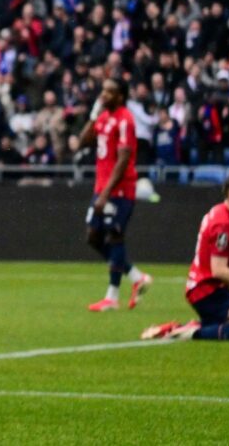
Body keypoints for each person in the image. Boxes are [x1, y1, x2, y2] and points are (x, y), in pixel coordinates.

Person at [141, 173, 229, 341]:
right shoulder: (223, 224)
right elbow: (219, 270)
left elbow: (225, 264)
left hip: (212, 289)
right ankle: (185, 332)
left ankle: (189, 327)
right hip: (206, 291)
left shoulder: (222, 213)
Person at [80, 78, 153, 312]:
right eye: (103, 90)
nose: (104, 94)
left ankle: (112, 296)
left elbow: (123, 159)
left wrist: (107, 193)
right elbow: (83, 141)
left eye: (109, 91)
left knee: (114, 236)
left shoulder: (125, 120)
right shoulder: (103, 117)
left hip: (119, 190)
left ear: (120, 96)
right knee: (92, 236)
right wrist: (93, 113)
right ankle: (136, 276)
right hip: (101, 188)